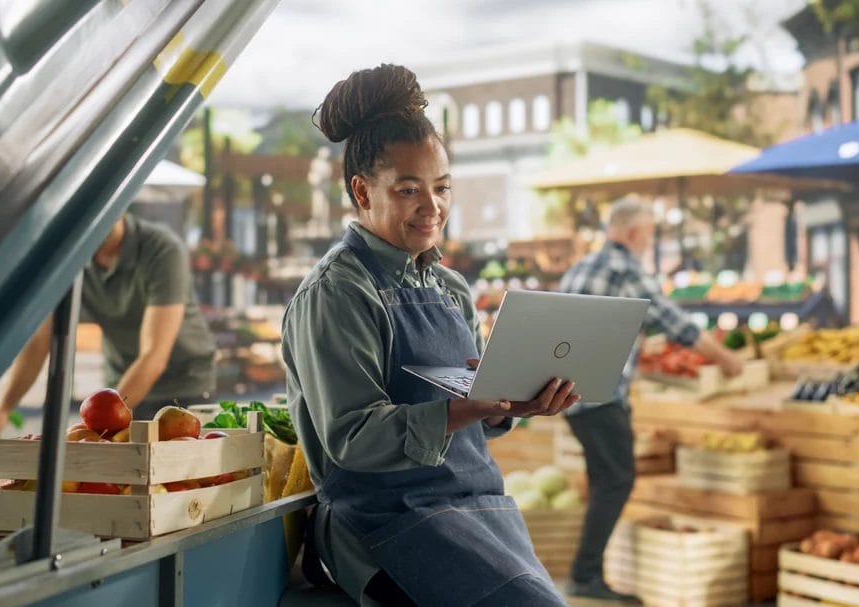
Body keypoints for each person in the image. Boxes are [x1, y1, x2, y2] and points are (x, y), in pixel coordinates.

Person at [281, 64, 580, 607]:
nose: (432, 206)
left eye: (442, 188)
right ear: (362, 191)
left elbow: (470, 427)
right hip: (381, 526)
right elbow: (350, 438)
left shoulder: (450, 287)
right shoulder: (336, 293)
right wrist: (461, 409)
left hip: (476, 512)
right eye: (408, 189)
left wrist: (503, 406)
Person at [558, 196, 744, 604]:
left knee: (605, 478)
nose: (650, 241)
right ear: (633, 233)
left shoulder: (583, 266)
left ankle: (587, 573)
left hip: (569, 394)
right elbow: (674, 323)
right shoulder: (624, 269)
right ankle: (586, 576)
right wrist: (727, 359)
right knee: (618, 478)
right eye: (650, 233)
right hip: (600, 394)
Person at [0, 213, 216, 431]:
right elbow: (40, 341)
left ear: (119, 210)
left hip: (183, 386)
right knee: (117, 467)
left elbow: (154, 356)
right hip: (121, 384)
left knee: (174, 468)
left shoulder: (161, 249)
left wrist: (96, 426)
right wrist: (4, 407)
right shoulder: (73, 258)